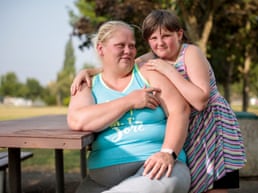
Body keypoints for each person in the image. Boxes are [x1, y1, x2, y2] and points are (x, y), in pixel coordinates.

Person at [71, 10, 246, 193]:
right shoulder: (153, 56)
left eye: (166, 36)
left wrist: (169, 71)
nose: (159, 43)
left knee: (216, 181)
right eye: (153, 38)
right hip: (189, 127)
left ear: (179, 34)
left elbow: (200, 100)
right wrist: (88, 72)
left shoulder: (190, 53)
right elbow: (123, 63)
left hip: (211, 123)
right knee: (197, 183)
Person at [67, 20, 191, 193]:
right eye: (120, 45)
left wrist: (167, 153)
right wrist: (129, 101)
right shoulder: (87, 84)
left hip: (157, 169)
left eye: (132, 46)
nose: (128, 51)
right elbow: (78, 120)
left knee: (167, 181)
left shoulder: (148, 73)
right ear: (101, 49)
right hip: (103, 178)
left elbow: (180, 110)